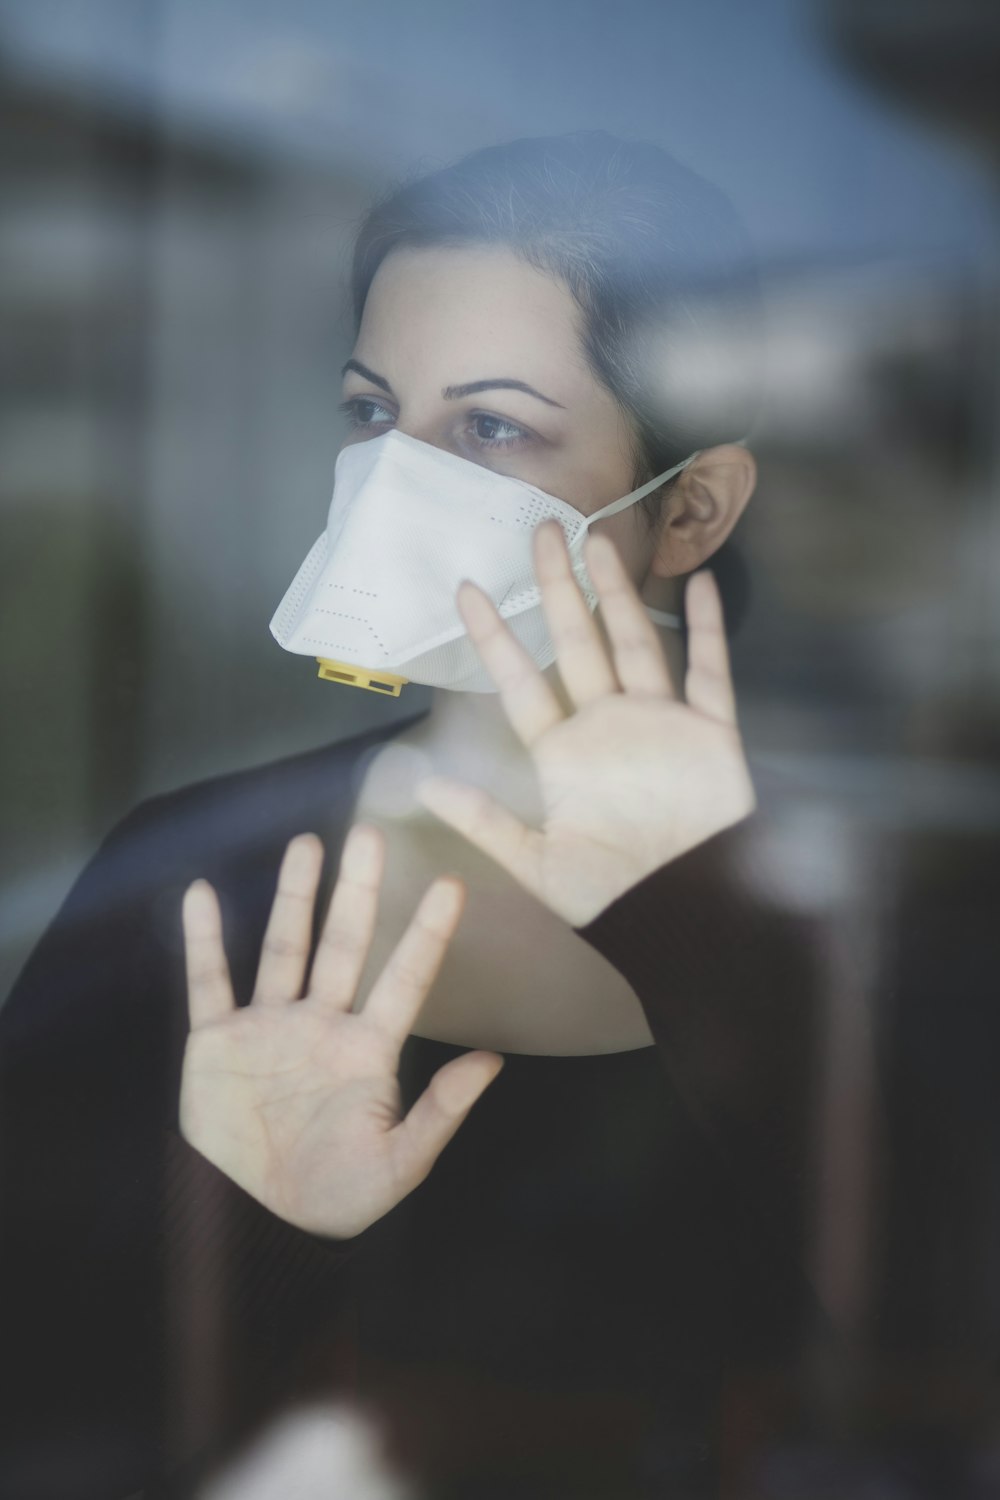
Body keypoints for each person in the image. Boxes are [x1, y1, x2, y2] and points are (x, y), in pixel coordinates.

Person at [1, 134, 831, 1500]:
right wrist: (245, 1223)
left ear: (691, 506)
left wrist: (703, 928)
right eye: (371, 414)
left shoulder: (872, 926)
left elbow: (921, 1366)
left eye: (491, 428)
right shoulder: (198, 878)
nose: (397, 483)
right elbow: (40, 1393)